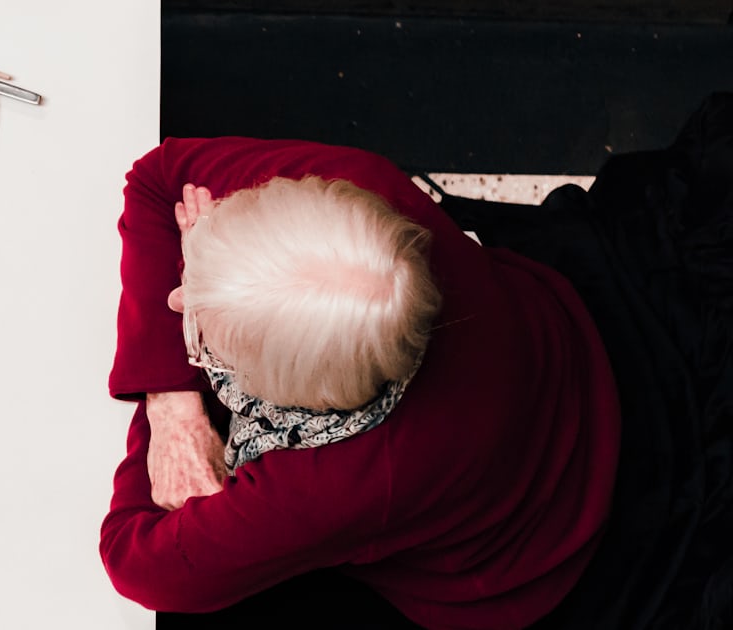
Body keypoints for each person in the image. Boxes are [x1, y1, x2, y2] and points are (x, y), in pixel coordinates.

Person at [100, 136, 622, 630]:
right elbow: (154, 180)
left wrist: (167, 360)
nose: (174, 302)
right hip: (551, 342)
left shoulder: (341, 480)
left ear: (292, 392)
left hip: (525, 548)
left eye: (200, 331)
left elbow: (136, 564)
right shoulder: (355, 190)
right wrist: (173, 407)